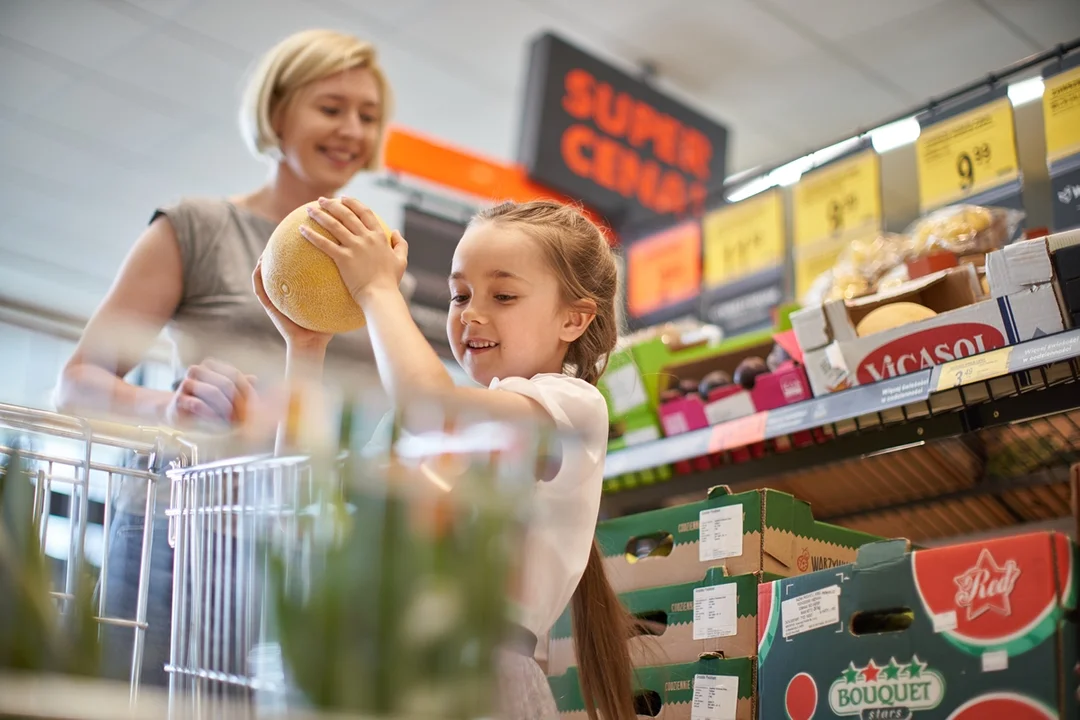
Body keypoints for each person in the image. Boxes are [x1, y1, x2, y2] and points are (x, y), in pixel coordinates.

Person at [55, 28, 395, 689]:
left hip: (299, 538)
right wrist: (180, 407)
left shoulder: (379, 270)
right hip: (177, 528)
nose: (353, 129)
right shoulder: (198, 227)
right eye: (331, 108)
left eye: (368, 114)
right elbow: (78, 382)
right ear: (276, 114)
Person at [253, 198, 636, 720]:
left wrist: (376, 289)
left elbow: (432, 409)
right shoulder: (421, 424)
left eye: (503, 295)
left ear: (574, 318)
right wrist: (306, 349)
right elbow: (298, 502)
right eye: (460, 295)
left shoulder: (570, 406)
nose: (472, 313)